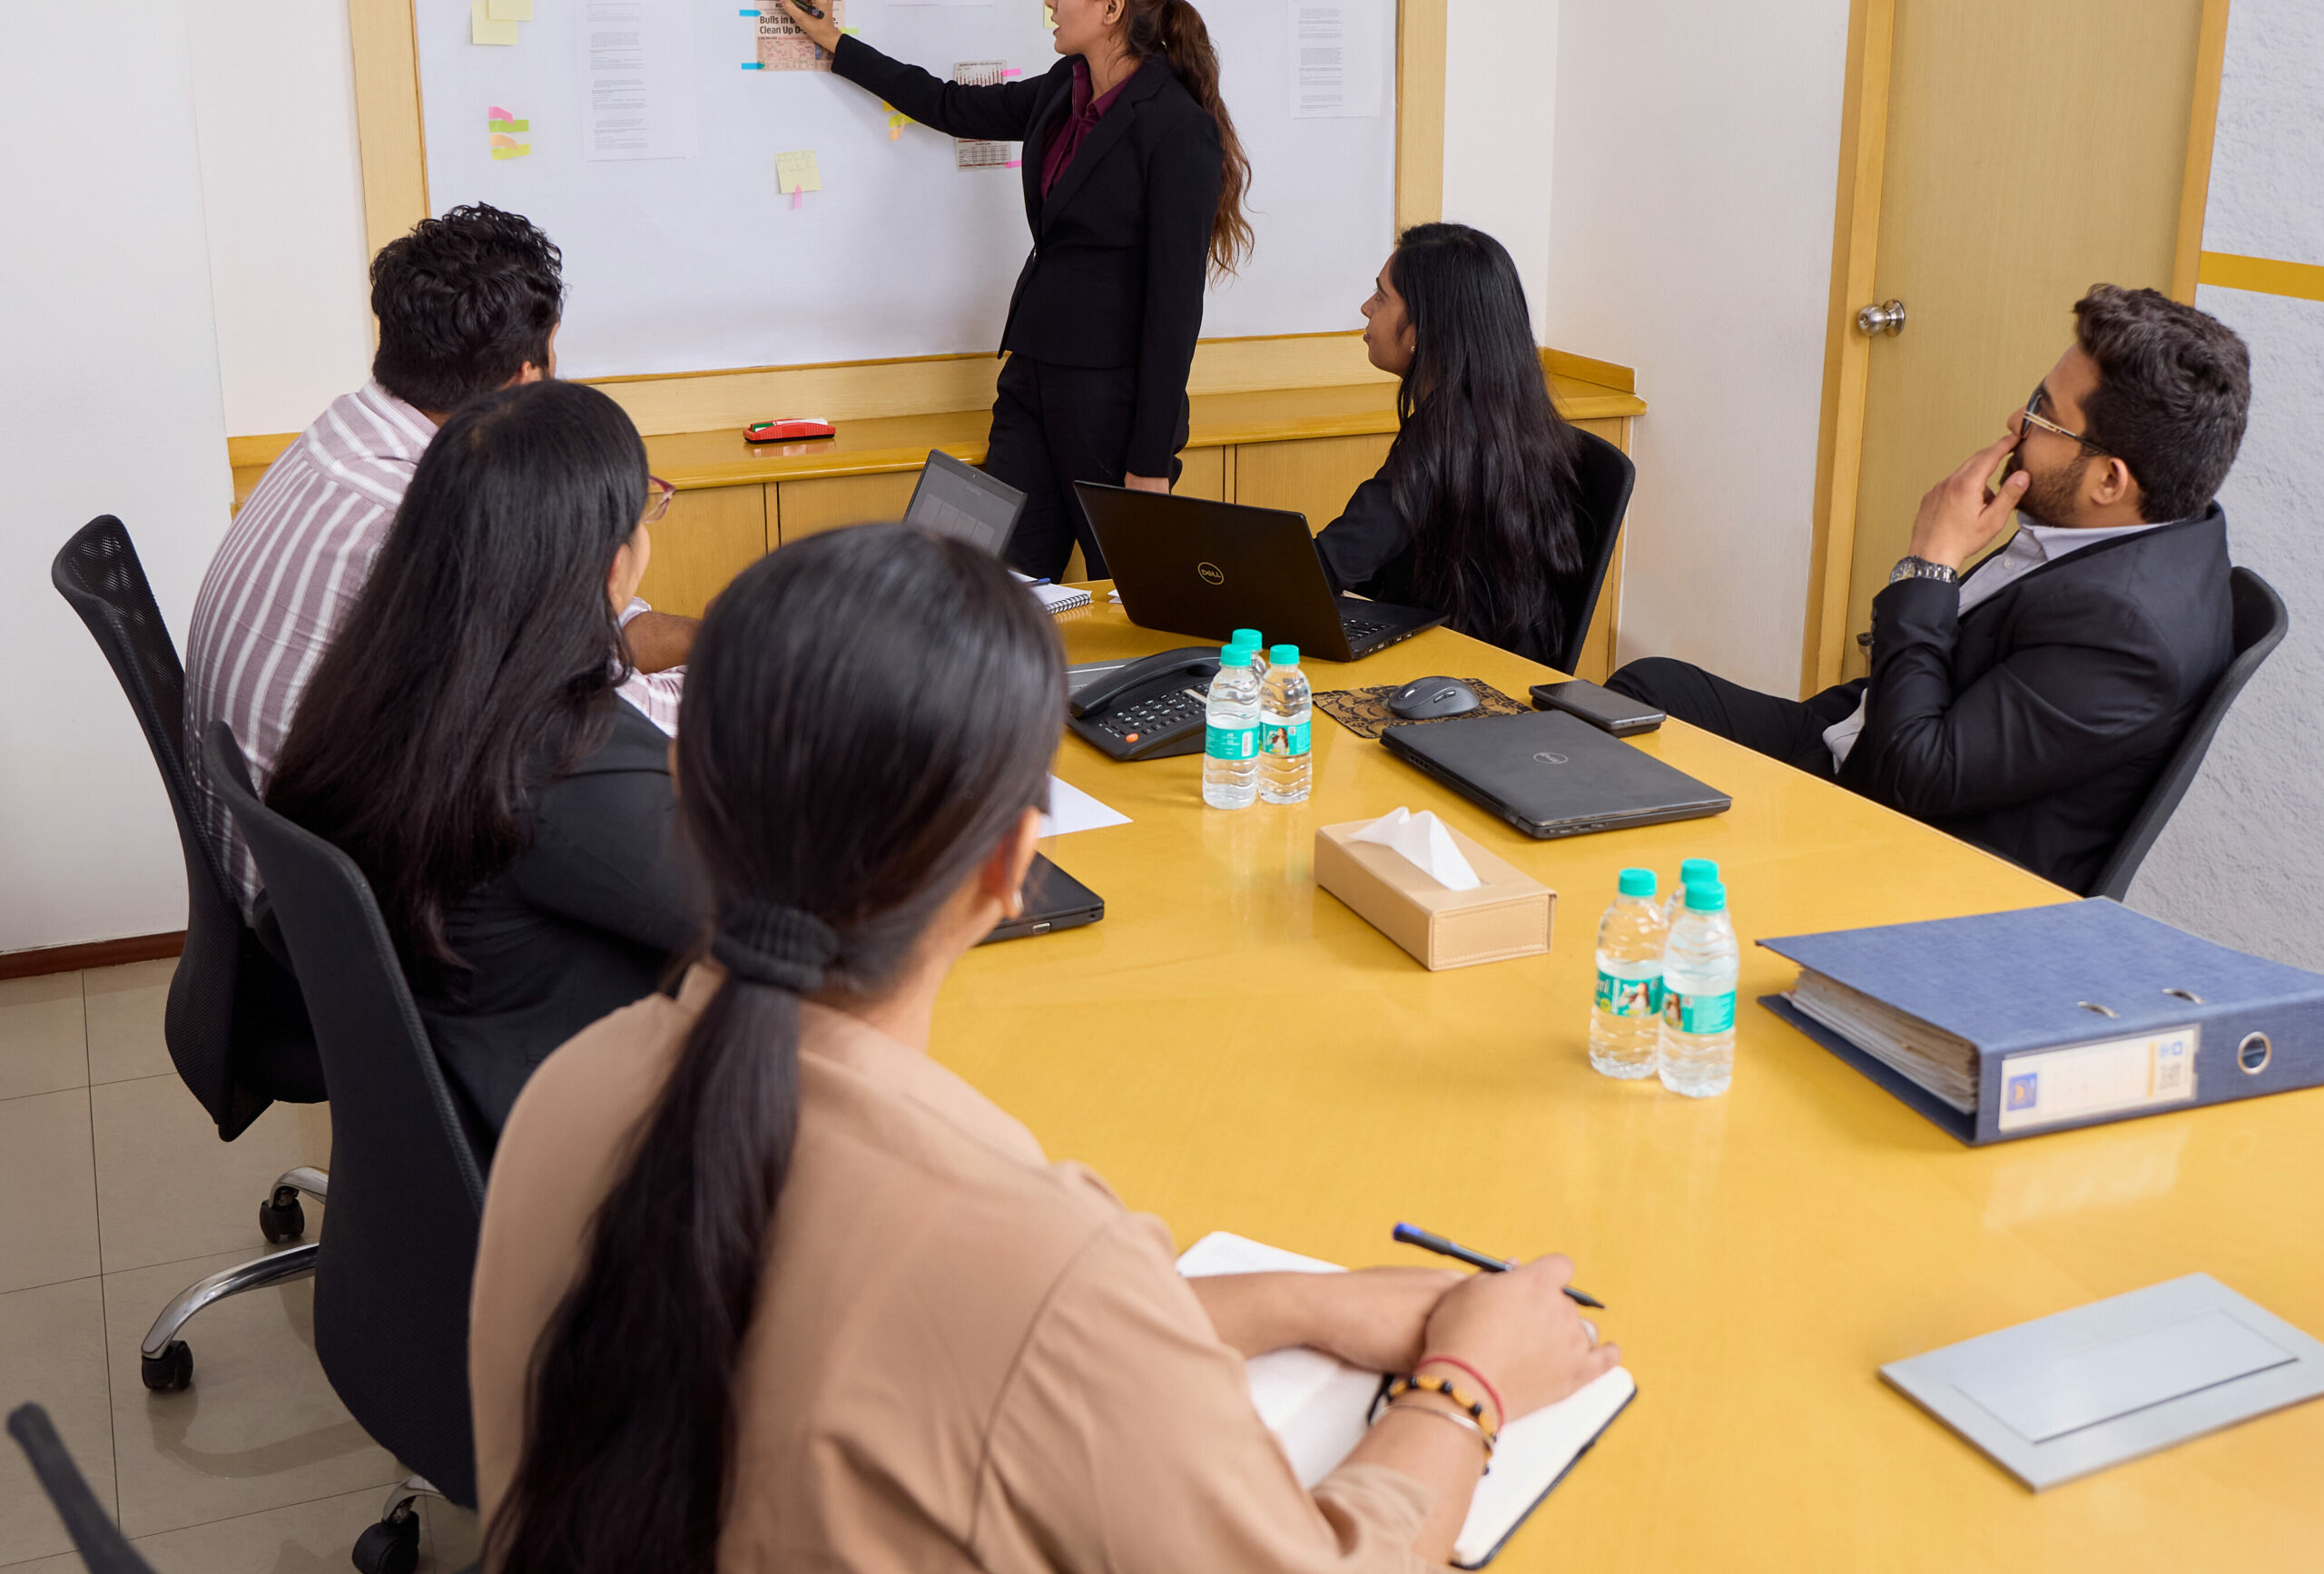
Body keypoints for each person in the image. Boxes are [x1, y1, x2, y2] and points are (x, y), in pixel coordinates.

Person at [470, 525, 1619, 1572]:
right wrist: (1465, 1389)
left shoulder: (573, 1088)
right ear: (1011, 866)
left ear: (683, 784)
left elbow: (932, 1353)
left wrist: (1284, 1303)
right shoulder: (1027, 1255)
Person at [1610, 284, 2250, 894]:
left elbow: (1912, 776)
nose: (2016, 422)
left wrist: (1930, 562)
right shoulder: (2142, 534)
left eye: (2042, 414)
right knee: (1643, 695)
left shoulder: (2128, 630)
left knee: (1632, 776)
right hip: (1853, 736)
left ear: (2110, 481)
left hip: (1893, 840)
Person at [183, 204, 694, 915]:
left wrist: (714, 636)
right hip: (358, 931)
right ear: (523, 383)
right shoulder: (424, 523)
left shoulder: (343, 439)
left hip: (307, 901)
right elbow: (605, 736)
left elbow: (571, 640)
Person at [265, 381, 698, 1146]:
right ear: (610, 569)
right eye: (647, 509)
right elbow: (776, 912)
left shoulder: (373, 679)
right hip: (569, 1158)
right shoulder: (557, 753)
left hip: (446, 1123)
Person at [771, 0, 1252, 580]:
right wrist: (832, 40)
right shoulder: (1062, 89)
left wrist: (1148, 464)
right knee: (989, 585)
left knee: (1135, 604)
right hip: (1030, 380)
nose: (1051, 1)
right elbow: (946, 104)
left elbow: (1175, 315)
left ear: (1111, 7)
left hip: (1112, 409)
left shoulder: (1176, 128)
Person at [1315, 225, 1590, 665]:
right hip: (1505, 663)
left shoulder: (1443, 436)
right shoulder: (1512, 418)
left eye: (1381, 297)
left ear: (1423, 329)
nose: (1366, 308)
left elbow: (1330, 564)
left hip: (1460, 679)